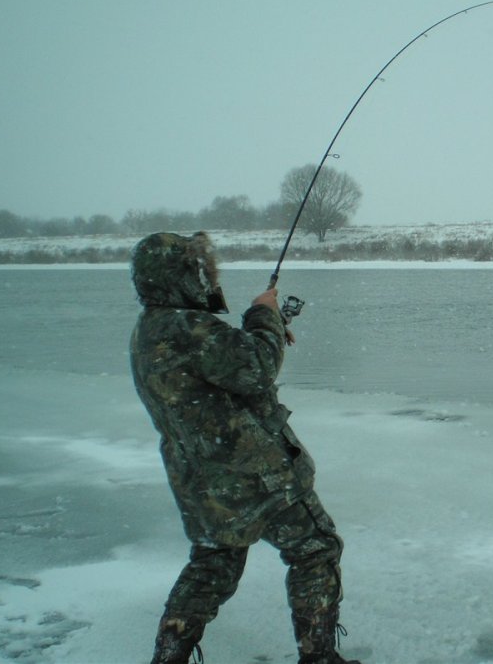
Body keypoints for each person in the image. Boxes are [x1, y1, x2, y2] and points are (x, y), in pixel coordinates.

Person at [129, 231, 360, 664]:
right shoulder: (189, 328)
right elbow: (256, 369)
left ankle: (168, 656)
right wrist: (264, 314)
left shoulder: (150, 329)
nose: (206, 278)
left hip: (203, 482)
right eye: (198, 271)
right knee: (316, 549)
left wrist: (265, 330)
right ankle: (319, 657)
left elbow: (224, 371)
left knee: (213, 565)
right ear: (180, 277)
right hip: (255, 476)